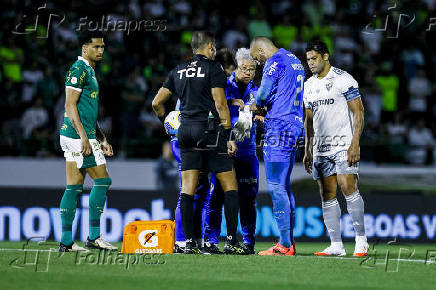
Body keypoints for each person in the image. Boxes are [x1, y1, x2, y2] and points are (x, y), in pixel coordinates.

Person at [152, 31, 243, 254]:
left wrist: (166, 121)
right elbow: (221, 104)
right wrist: (229, 135)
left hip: (185, 132)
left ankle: (189, 243)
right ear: (210, 47)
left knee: (188, 189)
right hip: (209, 131)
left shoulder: (178, 70)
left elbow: (156, 103)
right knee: (230, 186)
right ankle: (231, 241)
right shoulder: (214, 69)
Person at [303, 40, 368, 257]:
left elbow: (358, 112)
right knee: (327, 193)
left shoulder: (344, 79)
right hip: (321, 147)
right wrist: (307, 149)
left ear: (325, 56)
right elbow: (309, 121)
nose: (311, 63)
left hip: (344, 143)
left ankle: (361, 240)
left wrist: (355, 142)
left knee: (347, 185)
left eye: (314, 58)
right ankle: (336, 245)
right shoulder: (309, 85)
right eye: (308, 60)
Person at [58, 30, 117, 252]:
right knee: (103, 181)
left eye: (103, 47)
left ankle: (66, 241)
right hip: (77, 136)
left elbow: (87, 112)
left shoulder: (89, 71)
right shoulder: (79, 69)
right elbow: (69, 105)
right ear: (85, 48)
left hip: (81, 134)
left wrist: (101, 138)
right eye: (96, 47)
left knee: (73, 187)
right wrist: (85, 137)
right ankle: (93, 236)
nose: (101, 50)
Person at [250, 37, 304, 256]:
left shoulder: (275, 61)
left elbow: (262, 94)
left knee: (275, 186)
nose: (259, 63)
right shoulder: (295, 60)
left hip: (279, 127)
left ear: (261, 51)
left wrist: (257, 104)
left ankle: (284, 244)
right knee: (284, 185)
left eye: (256, 58)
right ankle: (288, 241)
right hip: (294, 125)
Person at [203, 48, 259, 255]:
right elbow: (212, 107)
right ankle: (210, 240)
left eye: (252, 69)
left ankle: (247, 243)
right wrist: (230, 101)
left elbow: (263, 111)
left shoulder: (257, 92)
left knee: (248, 199)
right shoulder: (223, 86)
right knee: (216, 196)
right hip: (222, 149)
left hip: (247, 152)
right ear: (235, 67)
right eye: (244, 68)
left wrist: (261, 113)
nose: (248, 72)